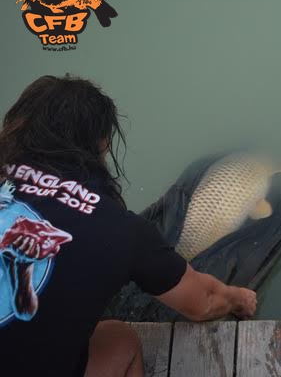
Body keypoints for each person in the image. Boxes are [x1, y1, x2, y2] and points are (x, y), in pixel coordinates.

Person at [0, 75, 257, 377]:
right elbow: (203, 302)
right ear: (103, 143)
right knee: (120, 341)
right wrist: (241, 299)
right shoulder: (118, 228)